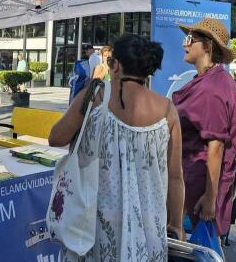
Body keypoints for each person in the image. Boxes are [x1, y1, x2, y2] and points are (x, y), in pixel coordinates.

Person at [49, 34, 185, 260]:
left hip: (95, 224)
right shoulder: (168, 110)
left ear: (117, 65)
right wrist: (177, 224)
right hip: (148, 226)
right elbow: (175, 176)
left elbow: (56, 137)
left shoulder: (96, 95)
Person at [172, 18, 236, 239]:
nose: (185, 44)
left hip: (197, 190)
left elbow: (215, 146)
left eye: (190, 39)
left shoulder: (212, 87)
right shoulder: (210, 79)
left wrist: (210, 198)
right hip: (191, 180)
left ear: (208, 46)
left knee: (196, 248)